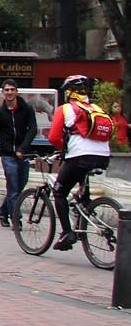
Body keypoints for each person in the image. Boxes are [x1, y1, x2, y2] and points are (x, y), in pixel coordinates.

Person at [48, 75, 112, 250]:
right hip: (103, 156)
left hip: (80, 157)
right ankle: (85, 204)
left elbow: (54, 137)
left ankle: (67, 233)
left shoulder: (65, 109)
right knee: (81, 190)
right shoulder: (97, 108)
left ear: (69, 92)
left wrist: (64, 149)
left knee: (59, 192)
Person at [0, 79, 37, 227]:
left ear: (16, 91)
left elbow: (33, 129)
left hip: (23, 154)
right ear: (3, 92)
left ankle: (3, 211)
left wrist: (23, 148)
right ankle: (16, 218)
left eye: (12, 89)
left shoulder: (27, 109)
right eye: (7, 90)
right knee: (13, 186)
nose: (9, 92)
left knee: (19, 187)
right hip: (7, 155)